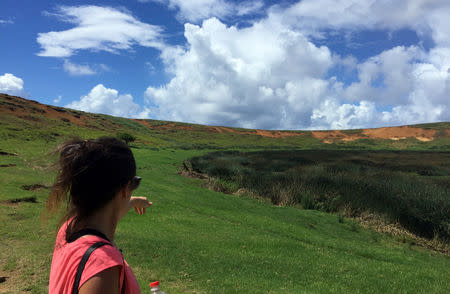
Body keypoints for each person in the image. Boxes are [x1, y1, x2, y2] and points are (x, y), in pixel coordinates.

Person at [45, 137, 152, 294]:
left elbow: (112, 212)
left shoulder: (70, 227)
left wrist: (134, 201)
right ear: (124, 189)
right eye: (135, 183)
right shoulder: (103, 268)